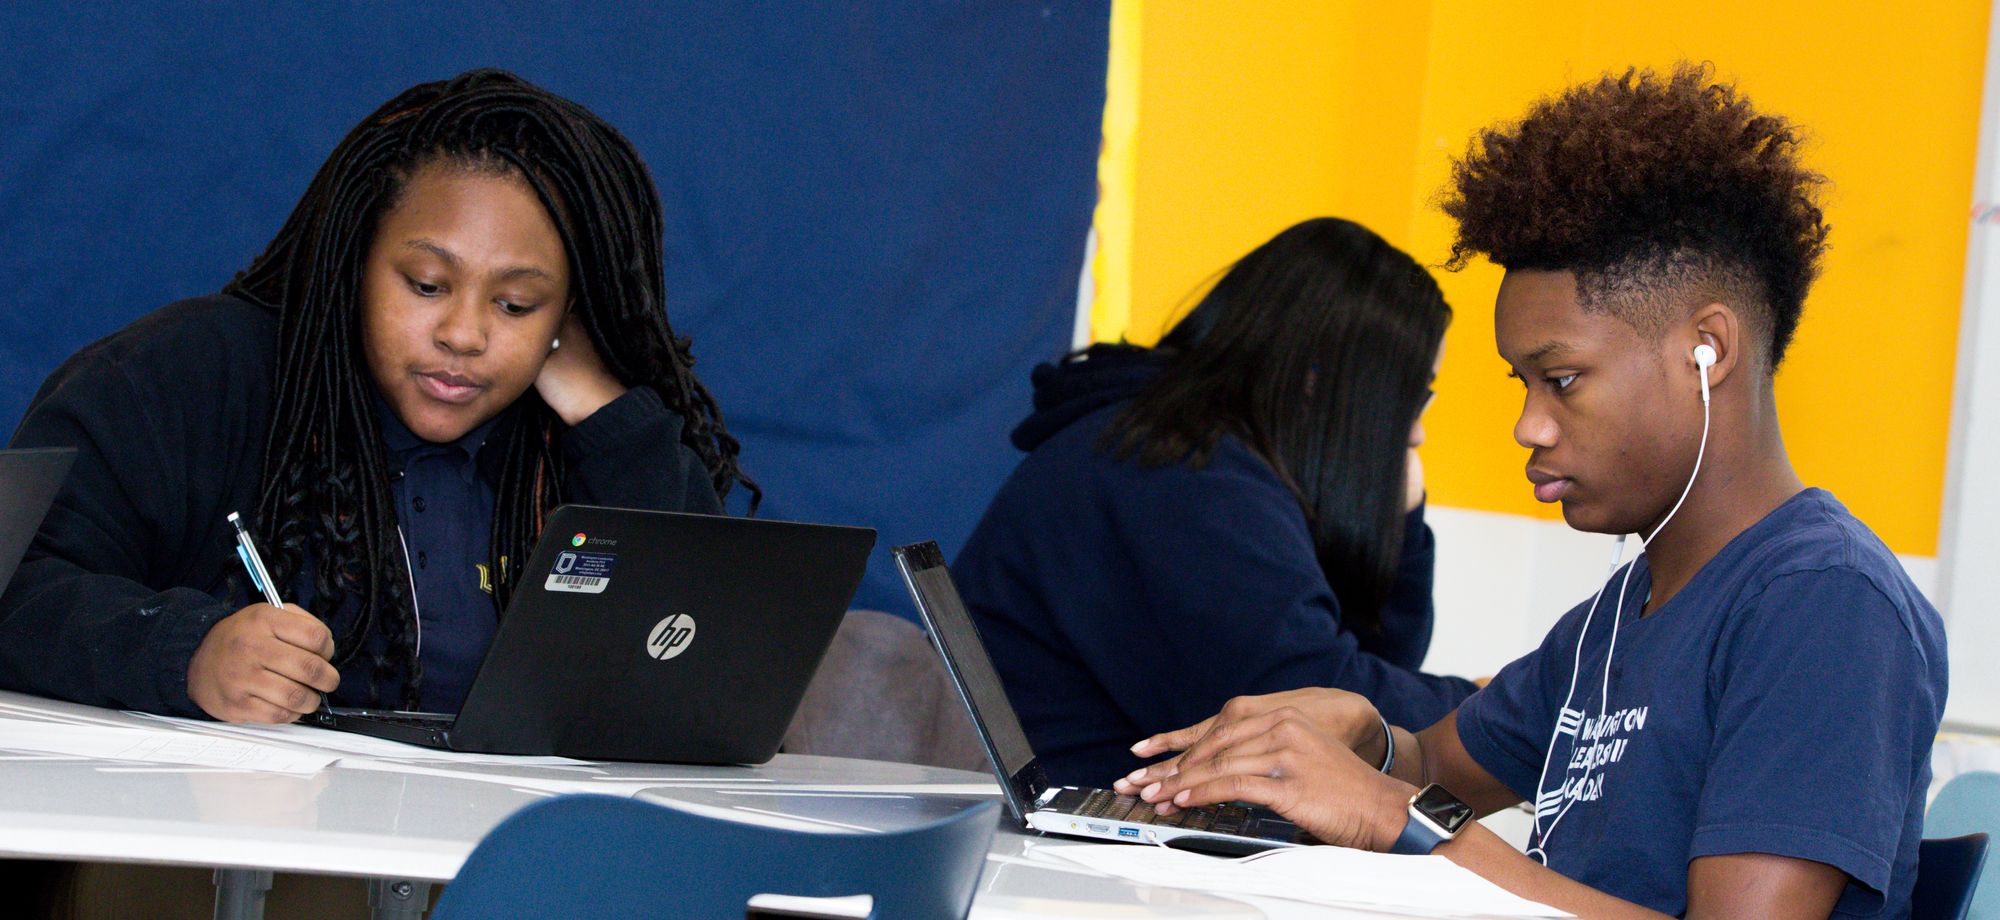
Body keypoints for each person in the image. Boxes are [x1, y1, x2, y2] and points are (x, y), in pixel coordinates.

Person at [1115, 64, 1946, 920]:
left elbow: (1413, 810)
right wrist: (1366, 734)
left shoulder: (1822, 602)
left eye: (1562, 380)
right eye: (1523, 384)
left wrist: (1400, 818)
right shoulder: (1622, 612)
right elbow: (1434, 766)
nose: (1530, 427)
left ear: (1709, 350)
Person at [0, 69, 755, 722]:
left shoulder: (576, 433)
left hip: (500, 861)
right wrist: (187, 652)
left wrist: (606, 414)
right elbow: (19, 591)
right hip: (228, 859)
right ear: (354, 258)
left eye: (516, 304)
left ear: (569, 314)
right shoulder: (184, 376)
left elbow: (718, 678)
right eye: (427, 285)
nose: (464, 333)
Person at [953, 217, 1479, 786]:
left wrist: (1399, 526)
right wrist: (1484, 712)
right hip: (1063, 844)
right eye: (1412, 396)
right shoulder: (1178, 472)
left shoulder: (1186, 454)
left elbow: (1374, 676)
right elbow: (1308, 709)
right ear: (1316, 379)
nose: (1416, 431)